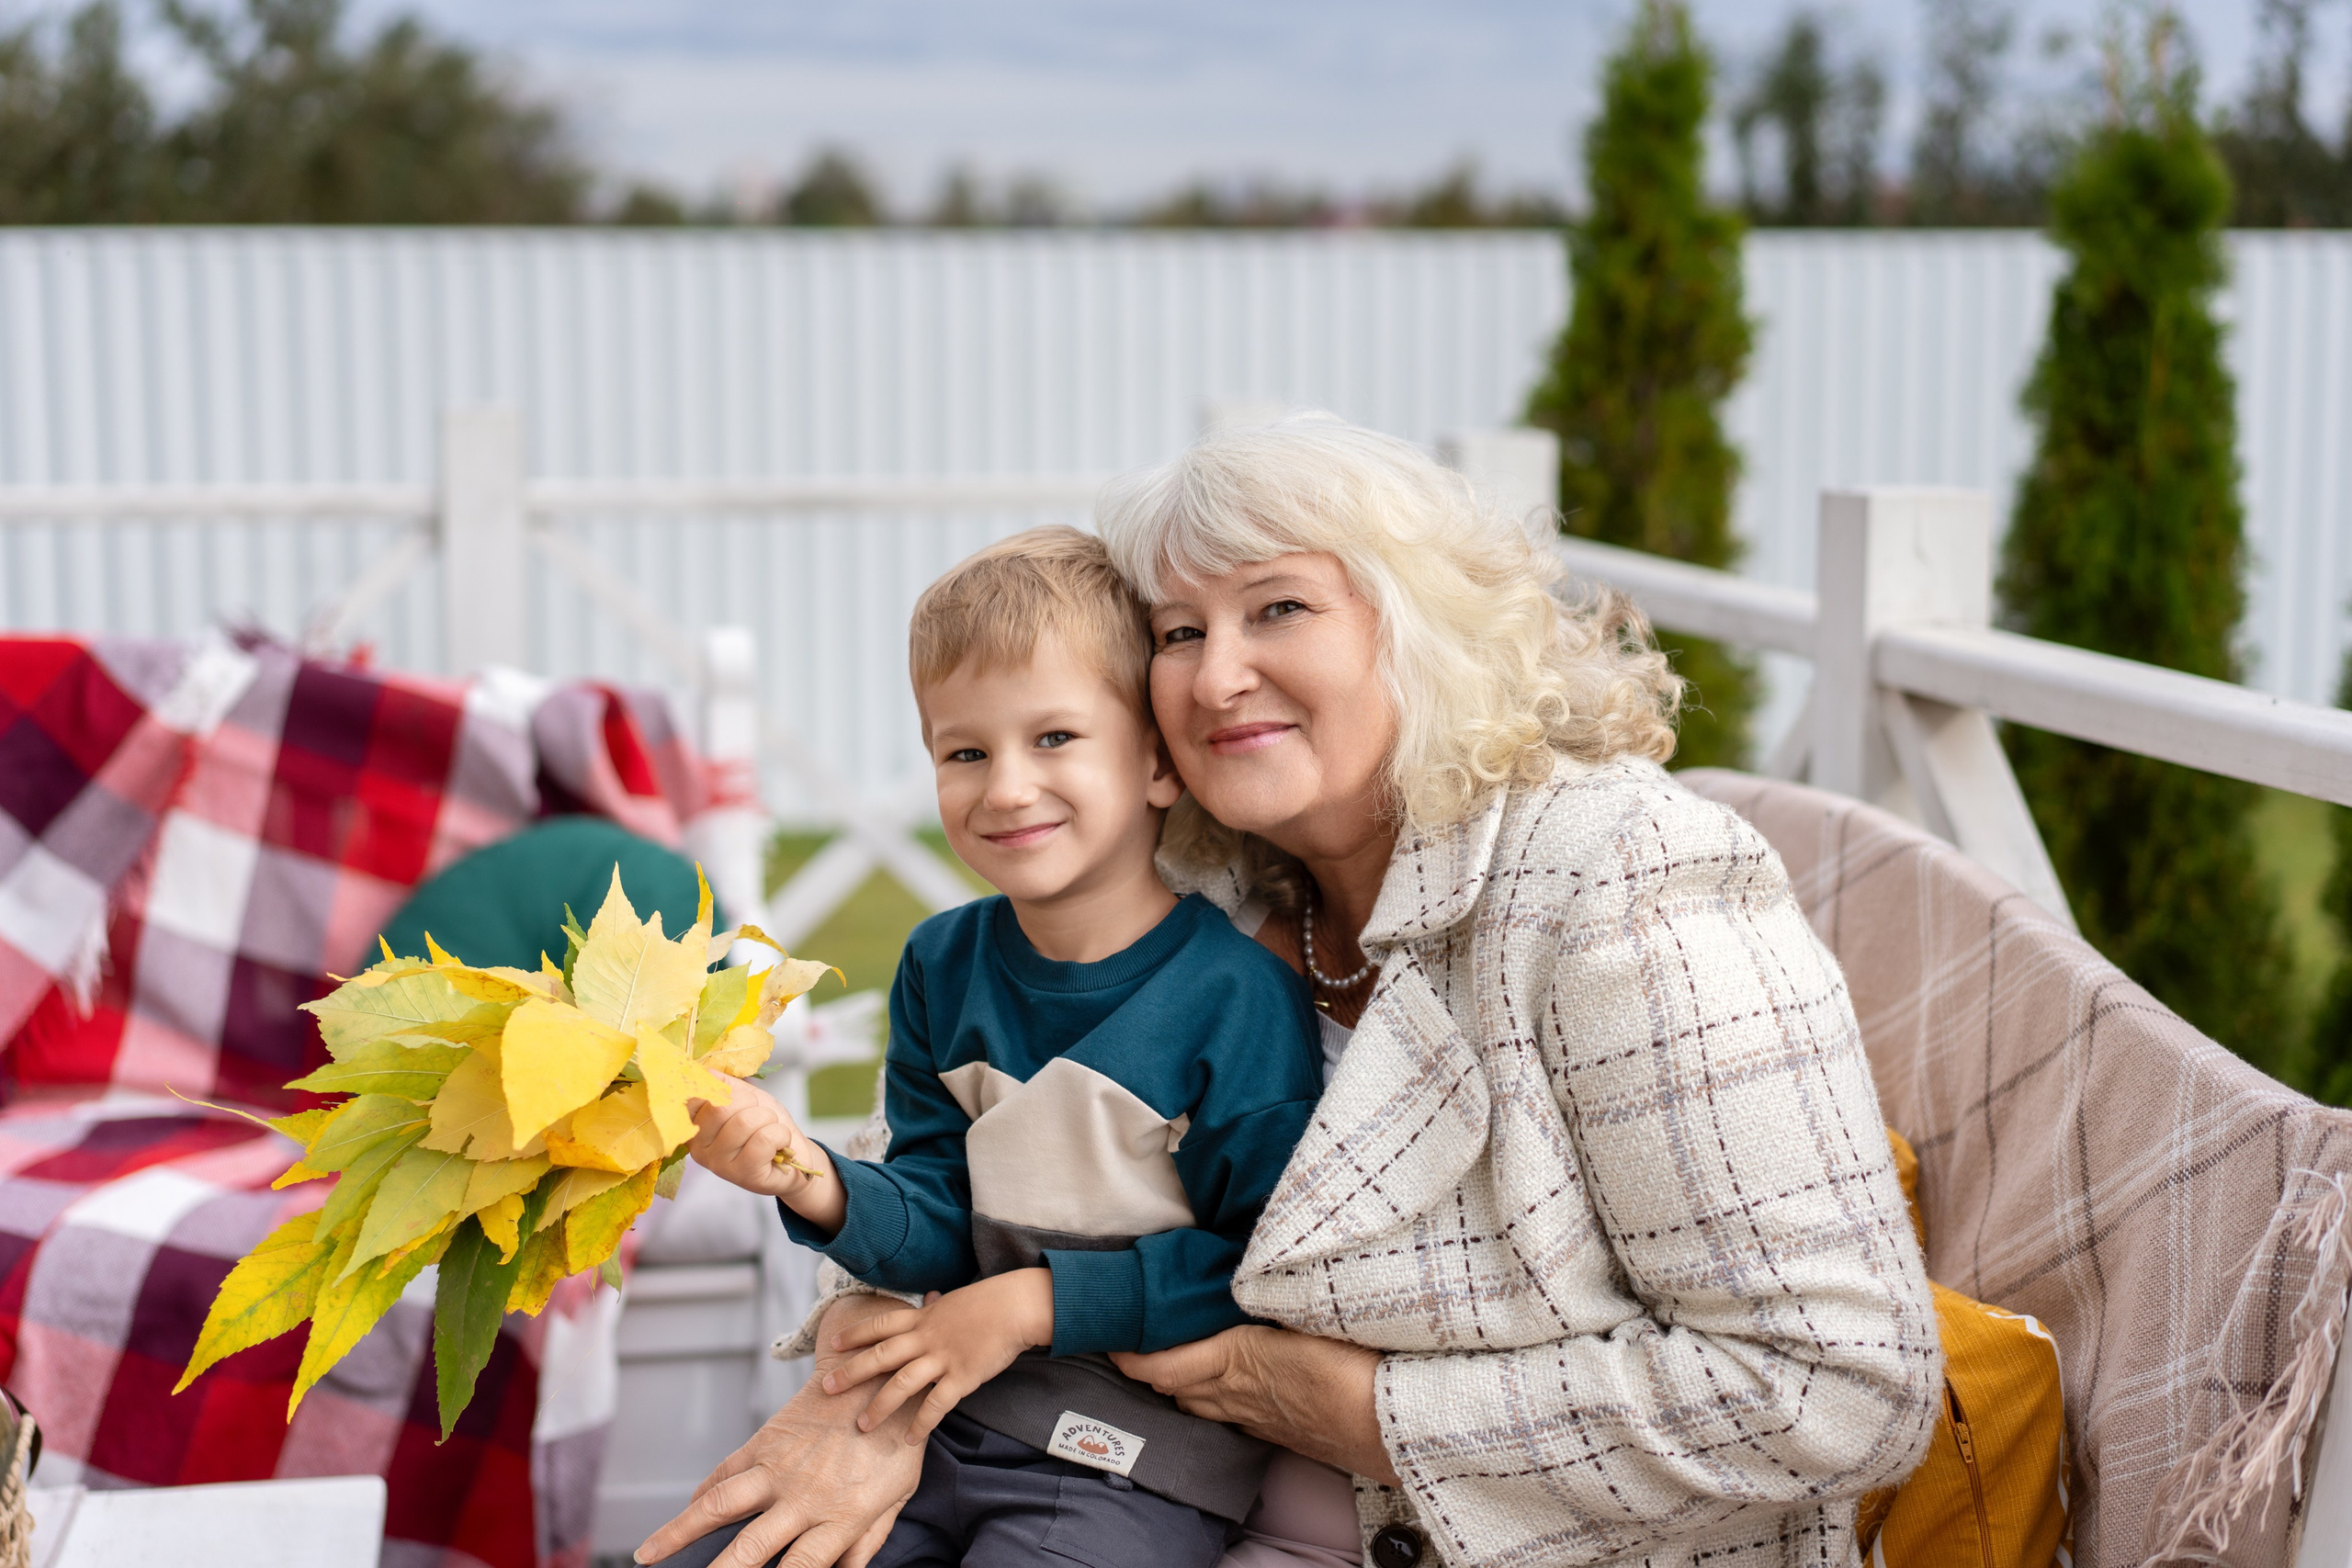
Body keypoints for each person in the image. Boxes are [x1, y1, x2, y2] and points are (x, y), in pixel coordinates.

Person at [639, 415, 1940, 1568]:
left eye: (1279, 609)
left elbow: (1842, 1388)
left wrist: (1362, 1410)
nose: (1216, 675)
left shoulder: (1620, 882)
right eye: (1178, 632)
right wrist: (876, 1384)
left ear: (1415, 628)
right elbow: (942, 1157)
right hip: (1087, 1477)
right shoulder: (1200, 879)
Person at [678, 527, 1326, 1568]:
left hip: (1138, 1458)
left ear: (1158, 763)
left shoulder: (1232, 995)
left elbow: (1264, 1263)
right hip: (950, 1413)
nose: (1006, 788)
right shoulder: (945, 962)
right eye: (965, 752)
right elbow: (937, 1212)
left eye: (1056, 739)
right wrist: (806, 1178)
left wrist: (1031, 1304)